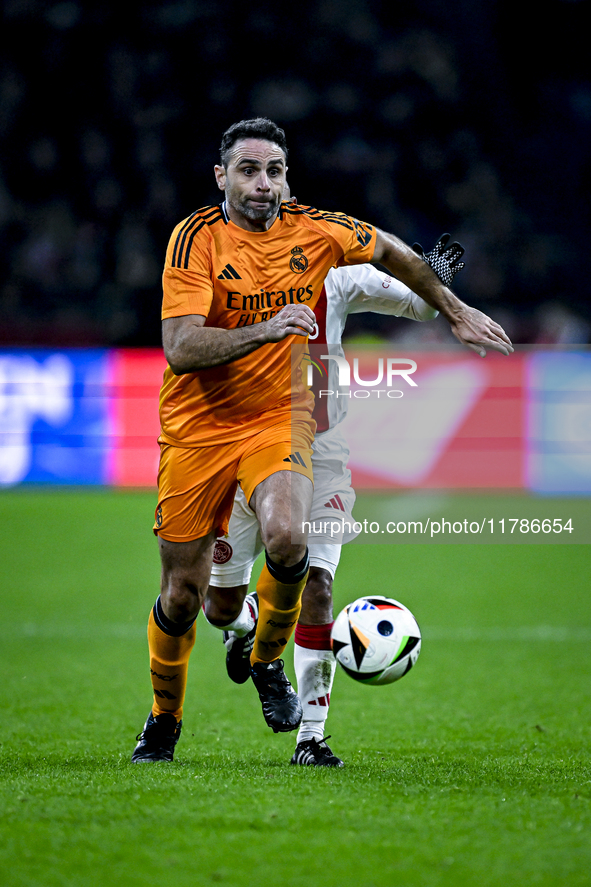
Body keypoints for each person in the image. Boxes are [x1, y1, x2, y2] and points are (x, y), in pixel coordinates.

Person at [131, 117, 512, 763]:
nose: (263, 183)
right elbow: (179, 348)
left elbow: (394, 263)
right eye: (249, 169)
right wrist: (269, 326)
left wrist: (446, 298)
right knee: (196, 599)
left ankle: (292, 704)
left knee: (294, 546)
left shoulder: (326, 245)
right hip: (199, 431)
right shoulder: (194, 240)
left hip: (289, 421)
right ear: (221, 175)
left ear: (289, 179)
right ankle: (171, 709)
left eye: (275, 170)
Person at [204, 230, 464, 768]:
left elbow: (417, 303)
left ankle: (312, 740)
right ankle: (248, 621)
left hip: (319, 455)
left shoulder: (336, 276)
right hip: (241, 448)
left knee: (318, 584)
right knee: (217, 607)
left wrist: (434, 273)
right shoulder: (227, 275)